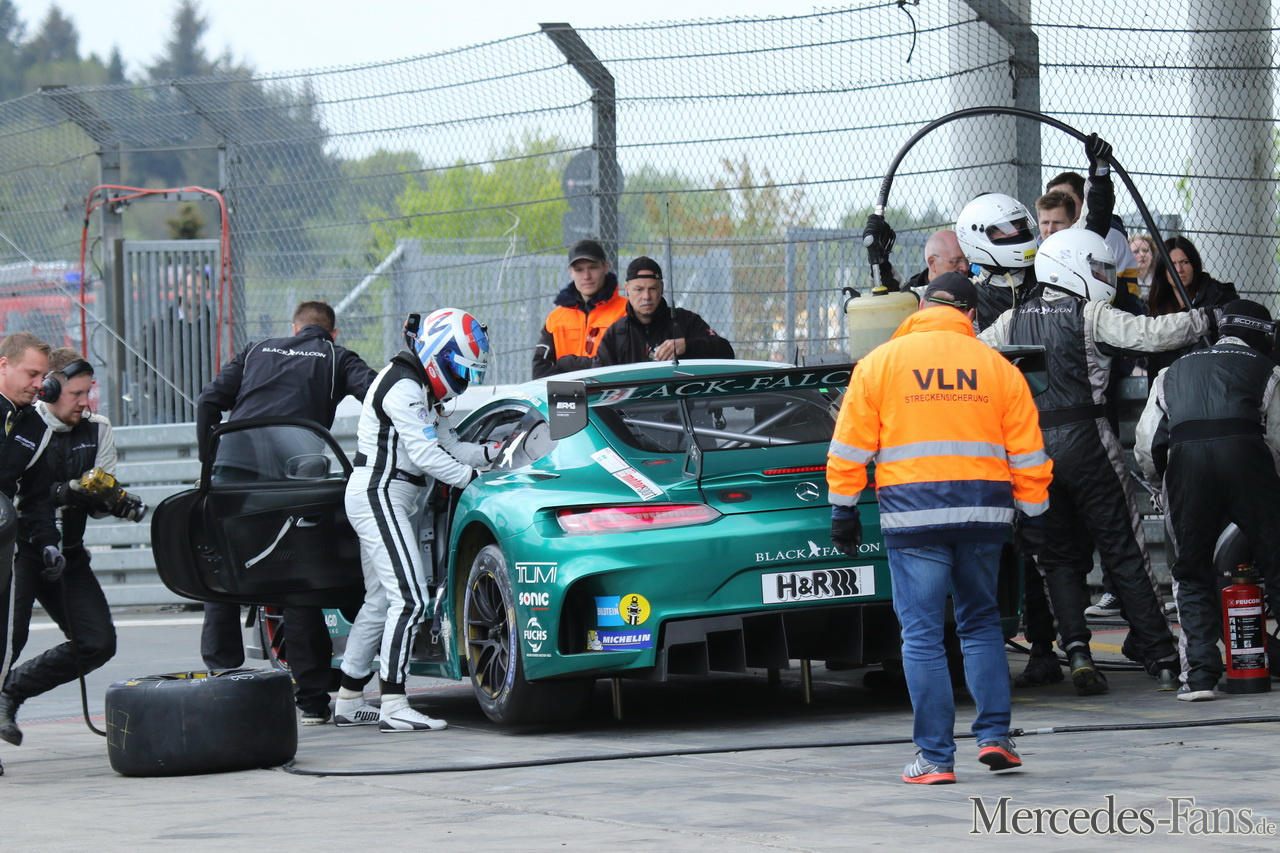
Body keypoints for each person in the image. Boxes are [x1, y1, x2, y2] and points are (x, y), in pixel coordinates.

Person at [827, 272, 1052, 784]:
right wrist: (1035, 517)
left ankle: (934, 759)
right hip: (983, 518)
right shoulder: (998, 369)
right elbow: (1029, 454)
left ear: (921, 306)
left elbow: (849, 448)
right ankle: (994, 737)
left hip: (913, 519)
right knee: (981, 624)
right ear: (972, 316)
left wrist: (843, 511)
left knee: (922, 635)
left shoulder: (879, 364)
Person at [979, 229, 1215, 694]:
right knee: (1122, 547)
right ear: (1074, 266)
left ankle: (1078, 652)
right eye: (1100, 268)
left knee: (1055, 557)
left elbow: (968, 355)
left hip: (1031, 449)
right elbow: (1150, 335)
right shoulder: (1091, 314)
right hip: (1088, 440)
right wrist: (1205, 317)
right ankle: (1162, 657)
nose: (1105, 277)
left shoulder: (1009, 320)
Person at [196, 300, 377, 726]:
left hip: (233, 471)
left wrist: (210, 457)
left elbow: (208, 401)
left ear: (294, 329)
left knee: (223, 573)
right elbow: (379, 395)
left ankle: (222, 680)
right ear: (332, 332)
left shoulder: (256, 349)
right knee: (297, 580)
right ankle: (311, 701)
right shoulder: (336, 356)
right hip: (293, 478)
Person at [339, 307, 491, 732]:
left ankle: (348, 699)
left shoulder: (417, 385)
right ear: (437, 354)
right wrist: (473, 479)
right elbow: (427, 455)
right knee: (410, 599)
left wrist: (493, 454)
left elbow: (450, 446)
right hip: (380, 492)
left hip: (385, 493)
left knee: (380, 600)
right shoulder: (404, 386)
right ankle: (393, 701)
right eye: (459, 368)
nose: (462, 379)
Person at [1135, 300, 1280, 701]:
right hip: (1248, 459)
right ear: (1264, 336)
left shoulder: (1171, 371)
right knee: (1277, 561)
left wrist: (1161, 487)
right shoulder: (1268, 370)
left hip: (1187, 465)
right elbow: (1278, 437)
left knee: (1191, 570)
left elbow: (1146, 445)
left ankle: (1199, 676)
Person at [0, 351, 141, 749]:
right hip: (21, 550)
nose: (84, 401)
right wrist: (64, 492)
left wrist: (113, 501)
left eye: (88, 392)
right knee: (10, 640)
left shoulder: (98, 429)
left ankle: (11, 691)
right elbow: (24, 494)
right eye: (76, 394)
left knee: (98, 642)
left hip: (68, 553)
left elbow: (99, 500)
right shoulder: (28, 425)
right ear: (50, 390)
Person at [0, 333, 60, 775]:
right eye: (32, 373)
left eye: (43, 375)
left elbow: (37, 499)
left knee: (1, 645)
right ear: (4, 365)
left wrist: (48, 541)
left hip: (4, 545)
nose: (39, 383)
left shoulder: (37, 428)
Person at [1045, 134, 1141, 301]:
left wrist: (1100, 175)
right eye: (1051, 201)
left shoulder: (1105, 235)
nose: (1057, 208)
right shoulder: (1041, 246)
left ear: (1085, 203)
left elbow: (1095, 220)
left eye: (1066, 200)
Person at [593, 257, 734, 365]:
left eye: (652, 288)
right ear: (627, 290)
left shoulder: (685, 322)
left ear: (662, 288)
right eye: (639, 289)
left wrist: (687, 345)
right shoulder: (617, 333)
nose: (646, 296)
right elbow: (599, 374)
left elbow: (725, 351)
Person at [1145, 236, 1237, 381]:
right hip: (1169, 385)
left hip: (1209, 380)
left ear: (1194, 265)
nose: (1179, 270)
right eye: (1172, 264)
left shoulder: (1219, 296)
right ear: (1163, 271)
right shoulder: (1158, 307)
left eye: (1184, 262)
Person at [531, 239, 628, 378]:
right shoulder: (556, 318)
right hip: (566, 390)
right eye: (579, 270)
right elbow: (539, 370)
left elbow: (621, 365)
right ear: (571, 272)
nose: (586, 276)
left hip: (611, 389)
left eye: (593, 267)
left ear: (605, 267)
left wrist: (566, 364)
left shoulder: (626, 311)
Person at [953, 192, 1040, 330]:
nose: (1016, 234)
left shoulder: (1044, 271)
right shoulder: (969, 293)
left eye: (1018, 226)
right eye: (1005, 230)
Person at [1130, 233, 1156, 298]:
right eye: (1136, 252)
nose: (1142, 255)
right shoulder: (1124, 280)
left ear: (1152, 254)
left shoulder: (1159, 277)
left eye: (1145, 250)